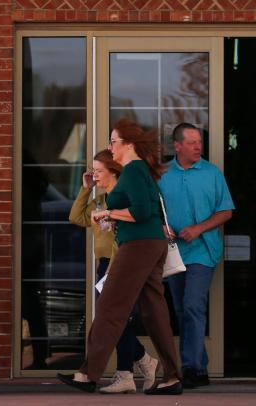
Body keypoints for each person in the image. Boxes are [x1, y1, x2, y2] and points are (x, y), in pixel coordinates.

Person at [57, 119, 182, 395]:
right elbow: (148, 210)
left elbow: (138, 212)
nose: (110, 146)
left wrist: (108, 213)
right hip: (149, 243)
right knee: (154, 312)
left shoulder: (133, 171)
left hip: (138, 245)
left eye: (113, 141)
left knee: (110, 308)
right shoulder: (139, 171)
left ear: (129, 144)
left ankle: (88, 374)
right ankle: (172, 377)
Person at [68, 149, 159, 393]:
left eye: (99, 171)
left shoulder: (125, 200)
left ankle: (128, 371)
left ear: (113, 171)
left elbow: (143, 218)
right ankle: (138, 365)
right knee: (114, 320)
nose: (94, 175)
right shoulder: (99, 202)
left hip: (124, 264)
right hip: (105, 265)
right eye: (93, 171)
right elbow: (76, 217)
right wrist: (86, 188)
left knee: (112, 319)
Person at [158, 123, 234, 389]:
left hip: (203, 251)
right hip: (174, 253)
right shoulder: (162, 175)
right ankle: (199, 365)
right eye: (192, 142)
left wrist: (199, 228)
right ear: (177, 146)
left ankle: (191, 367)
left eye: (199, 142)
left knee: (192, 305)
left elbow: (226, 211)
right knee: (180, 308)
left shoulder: (212, 173)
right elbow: (153, 210)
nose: (198, 146)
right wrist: (162, 226)